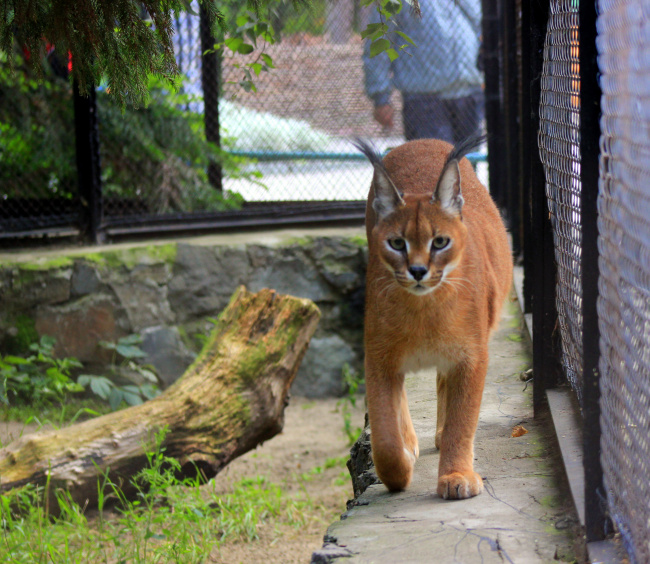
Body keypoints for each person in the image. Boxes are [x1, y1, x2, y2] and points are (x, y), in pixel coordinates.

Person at [362, 0, 484, 143]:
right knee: (433, 162)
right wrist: (380, 97)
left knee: (467, 163)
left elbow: (483, 26)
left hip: (470, 94)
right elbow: (379, 43)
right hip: (424, 101)